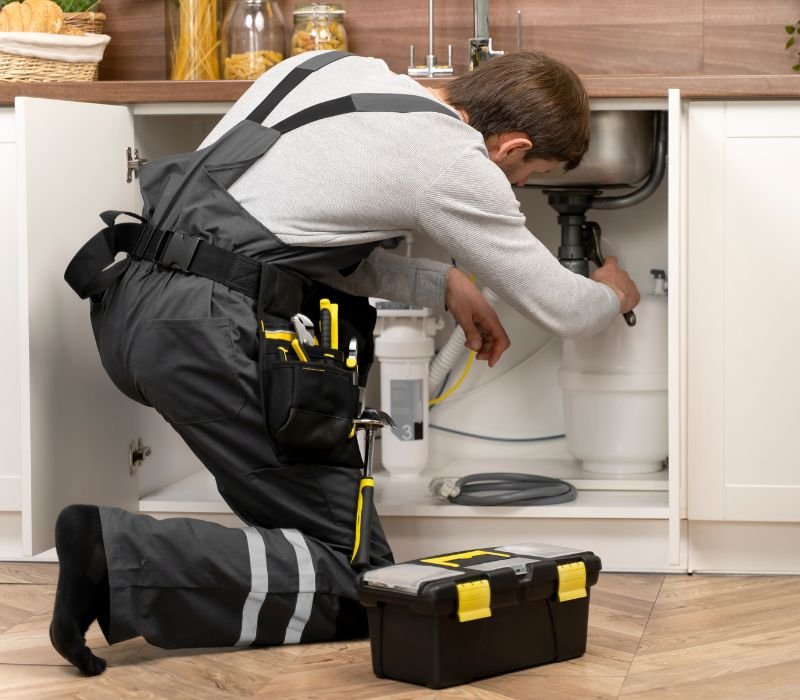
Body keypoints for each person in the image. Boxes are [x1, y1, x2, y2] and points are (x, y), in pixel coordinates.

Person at [53, 49, 639, 676]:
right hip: (211, 338)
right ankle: (117, 555)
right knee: (370, 588)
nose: (516, 191)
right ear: (511, 145)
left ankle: (127, 560)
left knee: (335, 555)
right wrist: (615, 291)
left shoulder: (330, 65)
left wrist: (440, 281)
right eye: (528, 175)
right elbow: (568, 310)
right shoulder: (452, 162)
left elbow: (281, 229)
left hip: (132, 307)